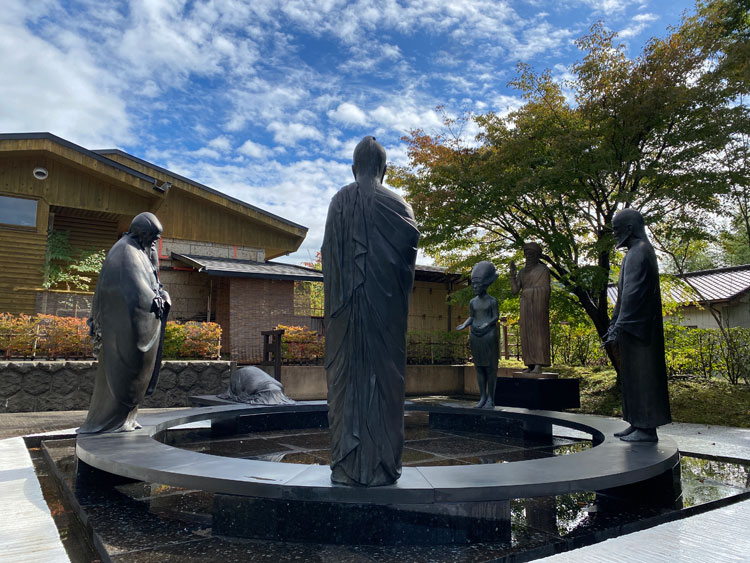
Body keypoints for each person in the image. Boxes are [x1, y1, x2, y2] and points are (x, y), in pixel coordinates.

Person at [321, 136, 419, 486]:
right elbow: (405, 259)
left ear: (353, 168)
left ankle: (345, 467)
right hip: (385, 319)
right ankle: (383, 467)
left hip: (344, 316)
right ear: (384, 169)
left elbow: (329, 259)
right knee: (386, 387)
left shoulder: (339, 201)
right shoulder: (398, 205)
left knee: (346, 386)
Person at [78, 212, 170, 434]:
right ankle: (109, 422)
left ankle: (127, 419)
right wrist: (157, 301)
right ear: (142, 233)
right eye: (152, 237)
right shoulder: (125, 252)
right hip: (123, 330)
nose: (154, 242)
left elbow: (153, 284)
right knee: (122, 376)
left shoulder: (143, 252)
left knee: (136, 375)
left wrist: (161, 295)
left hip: (135, 326)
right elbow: (135, 292)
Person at [602, 208, 671, 442]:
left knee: (644, 376)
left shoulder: (640, 251)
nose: (614, 234)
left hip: (641, 328)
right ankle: (636, 422)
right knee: (633, 377)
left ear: (630, 228)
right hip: (631, 326)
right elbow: (623, 296)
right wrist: (614, 322)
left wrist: (620, 325)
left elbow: (633, 294)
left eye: (616, 229)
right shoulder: (633, 253)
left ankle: (647, 428)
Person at [457, 261, 499, 409]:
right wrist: (464, 324)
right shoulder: (472, 302)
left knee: (490, 368)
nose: (475, 287)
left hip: (489, 336)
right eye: (473, 284)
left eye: (478, 284)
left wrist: (487, 324)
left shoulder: (492, 301)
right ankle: (482, 397)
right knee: (479, 368)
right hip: (475, 335)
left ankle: (491, 399)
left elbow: (496, 317)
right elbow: (472, 316)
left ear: (485, 284)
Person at [509, 242, 551, 373]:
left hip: (537, 306)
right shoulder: (522, 272)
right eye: (526, 254)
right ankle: (530, 363)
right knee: (526, 333)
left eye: (532, 254)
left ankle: (539, 364)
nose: (529, 256)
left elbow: (546, 290)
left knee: (538, 333)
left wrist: (529, 292)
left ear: (537, 256)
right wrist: (512, 275)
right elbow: (515, 290)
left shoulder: (543, 270)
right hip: (525, 306)